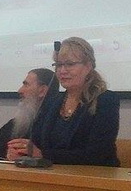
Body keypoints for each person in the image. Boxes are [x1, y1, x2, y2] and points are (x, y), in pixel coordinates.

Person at [15, 37, 119, 166]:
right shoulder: (53, 101)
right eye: (58, 65)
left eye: (70, 64)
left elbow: (97, 154)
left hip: (95, 175)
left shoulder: (106, 100)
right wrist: (22, 152)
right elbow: (36, 143)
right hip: (54, 174)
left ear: (88, 66)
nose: (62, 71)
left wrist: (43, 155)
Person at [0, 68, 58, 160]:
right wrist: (7, 156)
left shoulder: (56, 124)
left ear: (42, 91)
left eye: (26, 85)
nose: (19, 90)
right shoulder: (17, 124)